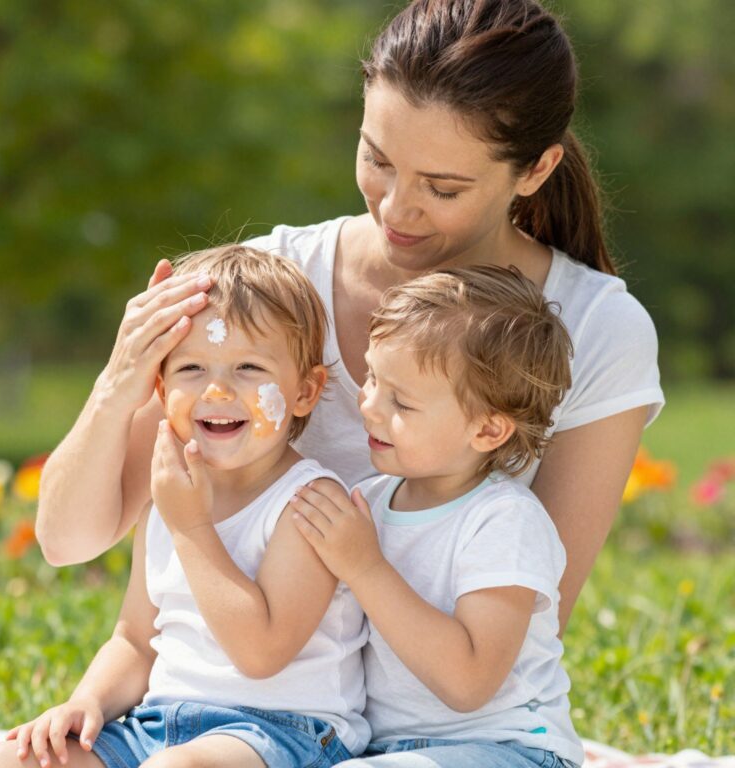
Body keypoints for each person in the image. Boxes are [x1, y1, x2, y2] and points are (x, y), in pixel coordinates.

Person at [35, 0, 664, 634]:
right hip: (246, 697)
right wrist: (120, 383)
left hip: (433, 710)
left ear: (536, 170)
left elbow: (532, 624)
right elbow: (68, 542)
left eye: (442, 189)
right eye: (377, 160)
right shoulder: (263, 288)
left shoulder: (595, 327)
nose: (396, 208)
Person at [0, 245, 369, 768]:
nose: (218, 389)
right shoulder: (168, 492)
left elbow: (261, 653)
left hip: (282, 732)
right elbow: (135, 638)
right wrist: (86, 701)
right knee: (4, 761)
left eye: (248, 367)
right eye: (192, 368)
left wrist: (191, 526)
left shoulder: (309, 501)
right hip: (158, 724)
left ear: (306, 391)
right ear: (159, 384)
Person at [291, 265, 583, 767]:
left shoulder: (503, 522)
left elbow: (468, 682)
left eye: (401, 401)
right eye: (373, 377)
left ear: (489, 431)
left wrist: (364, 568)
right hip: (383, 750)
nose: (370, 407)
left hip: (511, 750)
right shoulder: (371, 500)